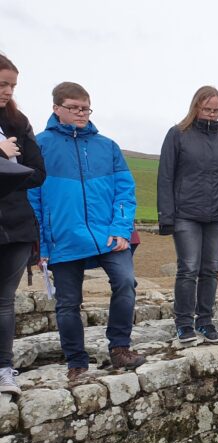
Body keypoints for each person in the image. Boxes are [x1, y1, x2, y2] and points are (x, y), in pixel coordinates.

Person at [28, 82, 146, 381]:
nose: (81, 113)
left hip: (107, 236)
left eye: (85, 107)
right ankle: (76, 363)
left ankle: (120, 348)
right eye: (74, 107)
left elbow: (125, 191)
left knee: (125, 282)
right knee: (68, 303)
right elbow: (33, 199)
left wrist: (120, 229)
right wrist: (41, 245)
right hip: (63, 239)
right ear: (57, 108)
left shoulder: (107, 146)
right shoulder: (39, 145)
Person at [157, 86, 218, 344]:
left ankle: (205, 321)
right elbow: (165, 176)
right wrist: (166, 215)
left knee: (210, 269)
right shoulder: (177, 135)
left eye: (216, 110)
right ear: (196, 107)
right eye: (207, 109)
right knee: (188, 268)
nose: (211, 114)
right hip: (186, 213)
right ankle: (184, 323)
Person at [0, 54, 46, 396]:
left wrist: (12, 169)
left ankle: (4, 370)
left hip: (15, 224)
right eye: (2, 83)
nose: (8, 91)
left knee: (4, 301)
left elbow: (37, 171)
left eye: (12, 85)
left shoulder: (16, 120)